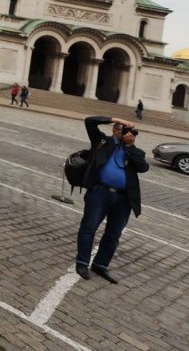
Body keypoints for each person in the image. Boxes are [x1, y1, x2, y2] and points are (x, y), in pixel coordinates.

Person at [75, 116, 149, 283]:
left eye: (129, 130)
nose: (127, 133)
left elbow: (143, 167)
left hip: (124, 198)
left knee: (114, 234)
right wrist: (116, 119)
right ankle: (82, 262)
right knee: (89, 227)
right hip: (100, 192)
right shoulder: (102, 141)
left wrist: (130, 146)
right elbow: (90, 121)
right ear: (115, 130)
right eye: (123, 129)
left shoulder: (134, 150)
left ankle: (100, 265)